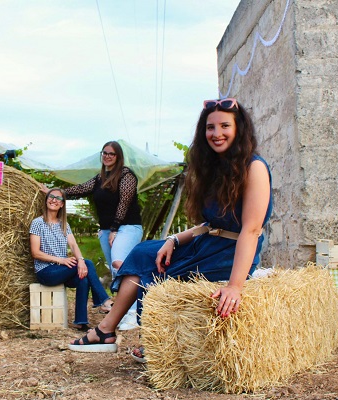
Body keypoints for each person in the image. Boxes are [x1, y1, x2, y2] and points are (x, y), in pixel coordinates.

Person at [69, 98, 272, 358]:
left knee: (158, 276)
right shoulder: (215, 170)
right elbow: (210, 224)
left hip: (230, 252)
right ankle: (108, 330)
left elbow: (251, 230)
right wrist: (173, 240)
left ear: (239, 129)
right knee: (144, 252)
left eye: (225, 126)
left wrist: (234, 286)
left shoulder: (254, 167)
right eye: (210, 127)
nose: (216, 133)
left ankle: (154, 341)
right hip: (207, 243)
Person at [59, 141, 143, 329]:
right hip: (107, 230)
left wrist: (114, 228)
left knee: (120, 266)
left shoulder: (127, 175)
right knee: (116, 272)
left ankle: (133, 314)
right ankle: (124, 311)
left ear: (118, 156)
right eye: (104, 153)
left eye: (111, 154)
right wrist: (57, 193)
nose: (107, 156)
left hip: (127, 227)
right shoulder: (101, 178)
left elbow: (124, 203)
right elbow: (81, 188)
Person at [30, 188, 114, 331]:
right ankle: (104, 300)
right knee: (87, 264)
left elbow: (74, 245)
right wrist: (62, 260)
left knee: (84, 275)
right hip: (46, 272)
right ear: (46, 200)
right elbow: (35, 253)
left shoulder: (64, 224)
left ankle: (80, 321)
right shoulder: (38, 223)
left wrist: (80, 260)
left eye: (58, 198)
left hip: (63, 271)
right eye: (51, 197)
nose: (54, 200)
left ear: (62, 204)